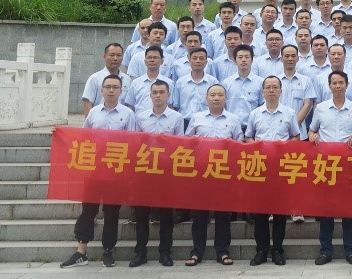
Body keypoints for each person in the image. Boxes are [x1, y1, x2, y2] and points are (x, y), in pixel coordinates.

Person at [61, 74, 138, 268]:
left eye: (115, 87)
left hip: (116, 171)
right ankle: (81, 252)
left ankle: (107, 251)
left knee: (112, 212)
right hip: (94, 171)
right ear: (102, 90)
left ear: (121, 91)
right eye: (108, 87)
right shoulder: (94, 113)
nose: (111, 90)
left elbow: (133, 143)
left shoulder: (128, 115)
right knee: (88, 210)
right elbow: (83, 139)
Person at [309, 71, 352, 265]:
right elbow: (312, 129)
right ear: (329, 86)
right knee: (326, 210)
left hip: (349, 165)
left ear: (347, 85)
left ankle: (350, 250)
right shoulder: (321, 108)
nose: (338, 86)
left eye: (341, 82)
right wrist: (312, 135)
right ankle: (326, 250)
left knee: (350, 210)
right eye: (334, 83)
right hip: (326, 165)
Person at [185, 84, 244, 266]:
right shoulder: (197, 118)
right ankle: (197, 252)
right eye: (213, 95)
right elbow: (187, 143)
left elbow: (239, 143)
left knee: (223, 215)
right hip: (201, 173)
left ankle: (223, 252)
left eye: (220, 95)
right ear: (206, 98)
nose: (216, 98)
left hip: (223, 173)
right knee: (200, 215)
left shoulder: (233, 119)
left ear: (226, 98)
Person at [246, 76, 302, 265]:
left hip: (281, 168)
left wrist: (284, 147)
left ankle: (277, 249)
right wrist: (258, 147)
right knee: (260, 212)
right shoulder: (255, 114)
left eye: (275, 87)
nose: (271, 90)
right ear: (262, 91)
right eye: (268, 87)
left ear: (280, 91)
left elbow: (296, 137)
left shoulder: (289, 113)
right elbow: (248, 138)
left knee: (279, 212)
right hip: (260, 168)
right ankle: (261, 250)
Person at [131, 79, 182, 267]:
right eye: (155, 92)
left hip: (167, 172)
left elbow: (180, 145)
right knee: (142, 214)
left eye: (162, 92)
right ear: (150, 95)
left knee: (166, 215)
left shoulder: (176, 118)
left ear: (168, 95)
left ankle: (165, 252)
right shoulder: (140, 117)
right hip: (145, 171)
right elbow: (135, 143)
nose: (158, 96)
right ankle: (140, 252)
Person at [80, 43, 127, 115]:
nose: (115, 58)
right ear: (104, 56)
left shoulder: (127, 79)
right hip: (99, 122)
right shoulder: (95, 78)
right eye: (111, 55)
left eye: (118, 55)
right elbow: (87, 104)